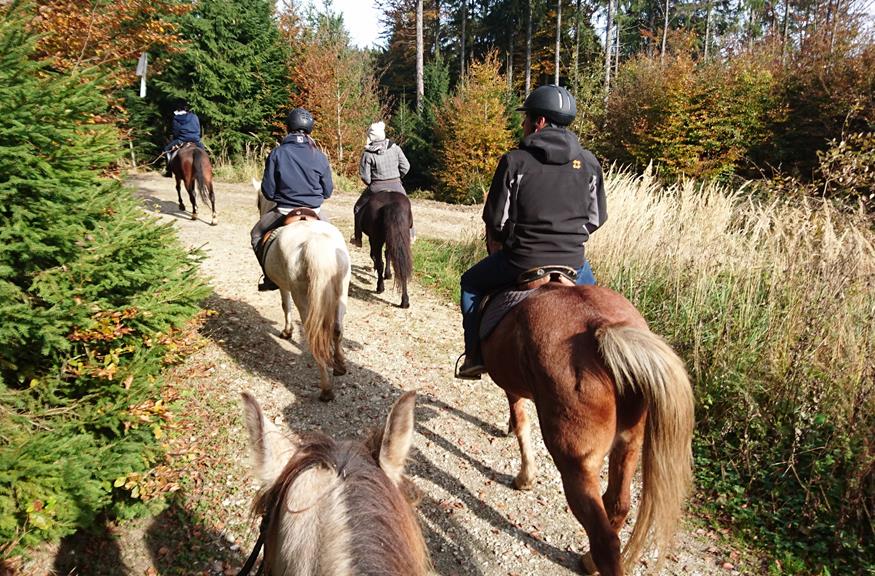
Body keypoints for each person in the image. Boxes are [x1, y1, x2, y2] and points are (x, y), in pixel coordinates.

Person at [455, 84, 608, 380]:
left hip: (522, 260)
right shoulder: (589, 163)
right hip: (574, 263)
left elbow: (496, 221)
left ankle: (473, 357)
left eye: (526, 119)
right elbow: (596, 218)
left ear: (539, 122)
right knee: (596, 307)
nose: (523, 124)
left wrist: (513, 240)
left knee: (470, 285)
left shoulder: (515, 161)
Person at [250, 107, 334, 292]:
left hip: (285, 210)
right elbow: (328, 191)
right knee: (336, 239)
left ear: (288, 127)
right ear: (310, 129)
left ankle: (269, 278)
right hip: (315, 210)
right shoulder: (319, 155)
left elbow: (268, 191)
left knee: (256, 235)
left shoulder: (277, 153)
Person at [350, 121, 411, 247]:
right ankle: (411, 234)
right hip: (396, 185)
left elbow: (365, 176)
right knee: (407, 206)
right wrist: (398, 178)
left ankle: (358, 238)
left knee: (357, 208)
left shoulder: (367, 153)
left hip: (376, 187)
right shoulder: (395, 148)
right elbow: (406, 166)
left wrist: (372, 182)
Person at [163, 100, 205, 177]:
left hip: (182, 139)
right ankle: (204, 167)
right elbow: (198, 128)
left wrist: (176, 139)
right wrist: (196, 137)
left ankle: (169, 170)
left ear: (178, 109)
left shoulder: (176, 118)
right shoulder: (194, 116)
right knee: (203, 151)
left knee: (166, 149)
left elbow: (175, 131)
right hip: (195, 139)